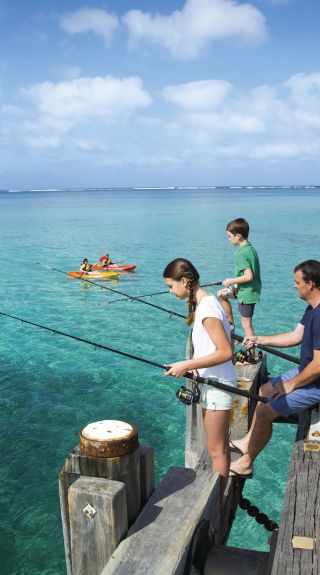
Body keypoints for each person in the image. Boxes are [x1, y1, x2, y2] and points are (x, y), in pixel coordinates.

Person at [229, 259, 320, 478]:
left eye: (297, 282)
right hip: (306, 372)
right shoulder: (312, 308)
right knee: (264, 391)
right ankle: (247, 441)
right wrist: (260, 339)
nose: (294, 285)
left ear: (312, 284)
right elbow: (294, 336)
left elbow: (318, 366)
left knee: (265, 409)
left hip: (316, 382)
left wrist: (291, 385)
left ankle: (247, 463)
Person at [163, 258, 237, 494]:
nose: (170, 291)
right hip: (215, 384)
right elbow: (214, 347)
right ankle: (220, 496)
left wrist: (187, 364)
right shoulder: (209, 302)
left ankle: (219, 501)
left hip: (217, 388)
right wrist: (195, 368)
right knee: (220, 447)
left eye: (171, 286)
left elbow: (226, 351)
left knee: (217, 451)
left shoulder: (206, 308)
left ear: (184, 281)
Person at [217, 217, 261, 338]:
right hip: (245, 290)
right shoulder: (251, 249)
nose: (229, 239)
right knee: (221, 294)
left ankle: (251, 354)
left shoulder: (241, 254)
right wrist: (235, 286)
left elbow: (248, 276)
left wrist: (230, 281)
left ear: (238, 236)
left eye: (230, 236)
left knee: (247, 325)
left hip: (247, 294)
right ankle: (231, 328)